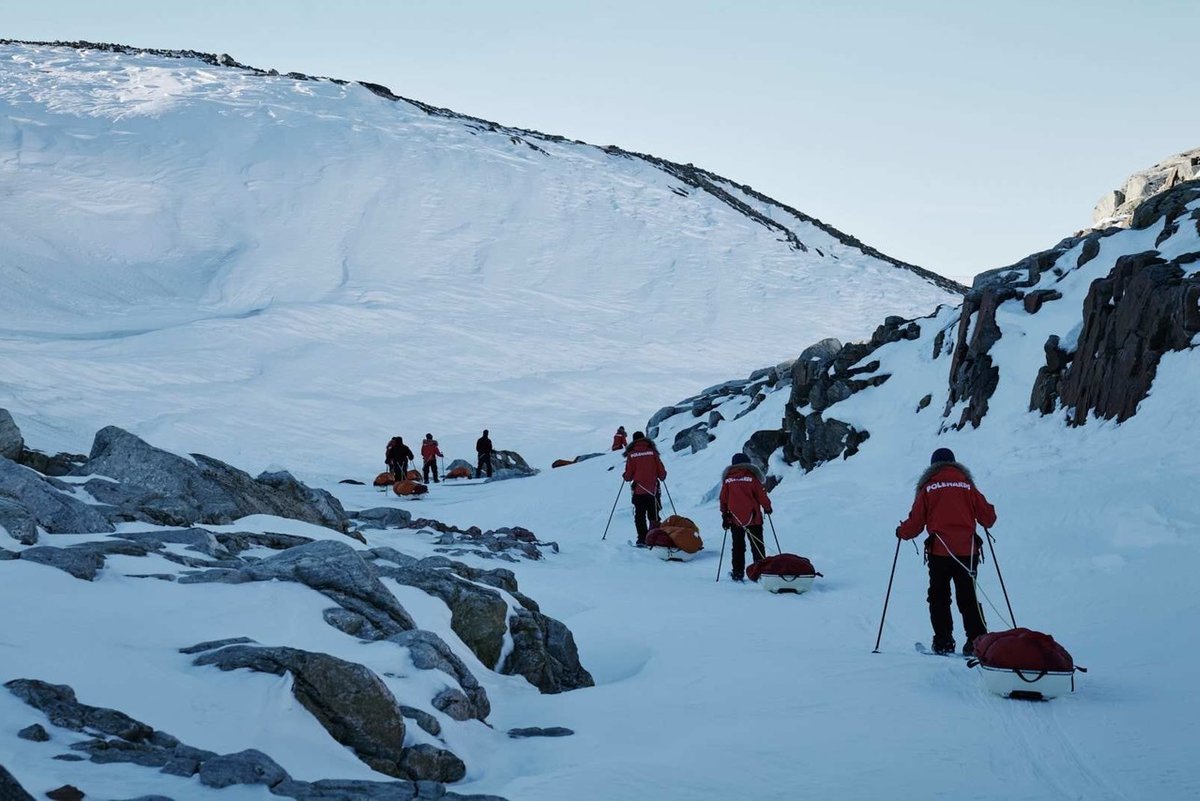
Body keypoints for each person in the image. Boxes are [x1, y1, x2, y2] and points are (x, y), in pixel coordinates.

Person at [896, 447, 997, 656]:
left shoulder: (929, 486)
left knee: (939, 597)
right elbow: (988, 518)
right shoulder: (967, 485)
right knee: (968, 596)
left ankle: (943, 641)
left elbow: (916, 523)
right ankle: (977, 641)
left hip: (939, 552)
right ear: (954, 463)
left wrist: (902, 532)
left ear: (933, 465)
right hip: (968, 551)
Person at [719, 453, 772, 581]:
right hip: (754, 519)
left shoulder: (728, 480)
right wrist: (767, 508)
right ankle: (759, 572)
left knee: (738, 546)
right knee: (757, 545)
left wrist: (724, 516)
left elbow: (723, 499)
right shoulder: (752, 478)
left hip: (734, 519)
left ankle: (737, 573)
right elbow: (761, 496)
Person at [622, 431, 667, 546]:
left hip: (639, 490)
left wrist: (626, 477)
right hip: (653, 489)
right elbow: (661, 471)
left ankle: (642, 538)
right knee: (654, 513)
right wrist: (662, 476)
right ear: (645, 439)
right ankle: (654, 538)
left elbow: (629, 474)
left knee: (640, 515)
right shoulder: (653, 452)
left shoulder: (631, 454)